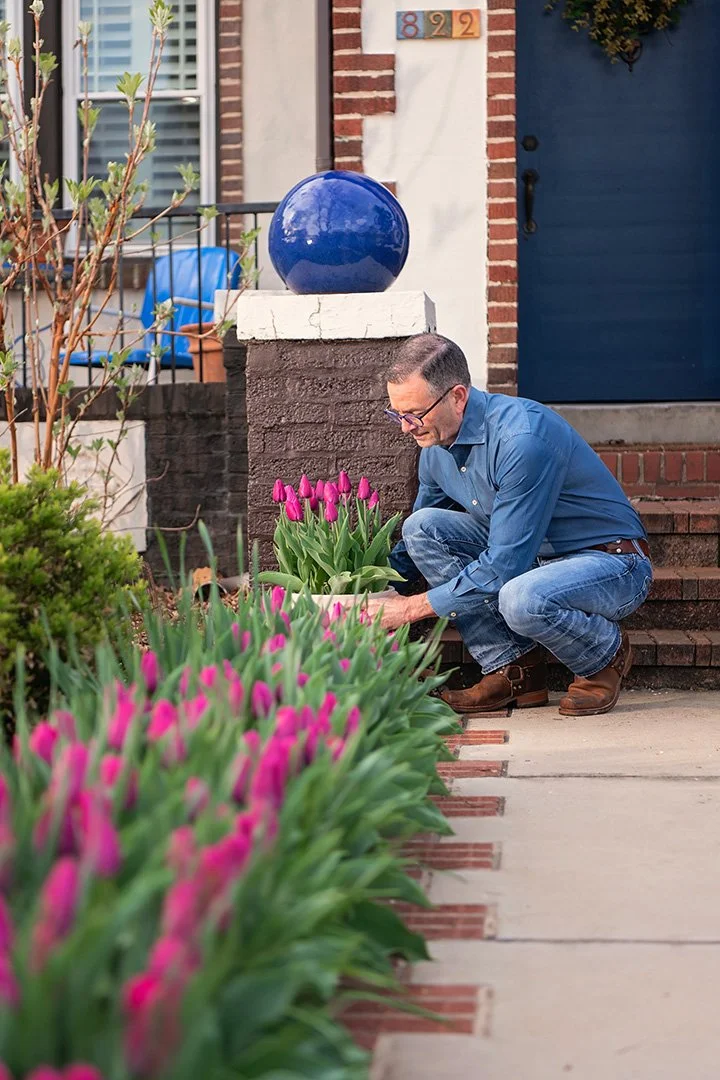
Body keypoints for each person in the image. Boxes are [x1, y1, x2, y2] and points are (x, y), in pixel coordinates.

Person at [365, 333, 653, 716]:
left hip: (610, 563)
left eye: (415, 414)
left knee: (519, 598)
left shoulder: (522, 438)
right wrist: (370, 594)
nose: (406, 427)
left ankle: (603, 656)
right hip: (533, 560)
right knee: (423, 527)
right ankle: (513, 668)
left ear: (458, 396)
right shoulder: (434, 448)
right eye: (397, 415)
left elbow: (503, 569)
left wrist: (408, 609)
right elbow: (410, 549)